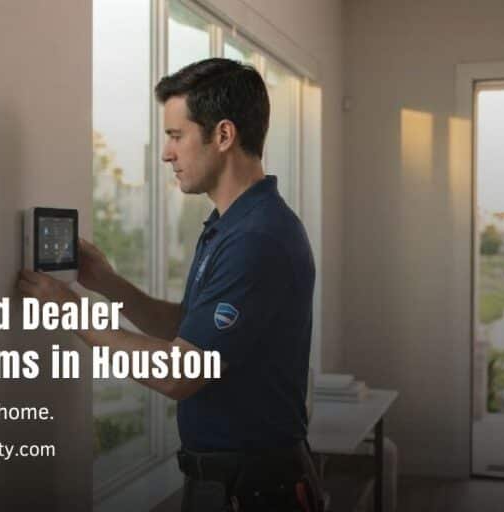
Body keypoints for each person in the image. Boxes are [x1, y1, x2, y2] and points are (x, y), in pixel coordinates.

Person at [18, 57, 320, 511]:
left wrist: (73, 312)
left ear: (223, 135)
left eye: (176, 136)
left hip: (255, 491)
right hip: (228, 483)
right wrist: (109, 284)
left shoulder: (257, 238)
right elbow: (186, 327)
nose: (166, 153)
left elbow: (180, 371)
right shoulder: (229, 226)